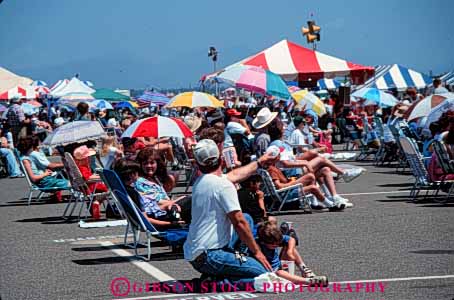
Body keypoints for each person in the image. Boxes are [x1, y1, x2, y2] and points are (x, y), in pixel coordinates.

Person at [184, 139, 272, 286]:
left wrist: (260, 162)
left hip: (196, 253)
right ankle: (216, 282)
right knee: (263, 272)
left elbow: (236, 174)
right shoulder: (223, 185)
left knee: (247, 217)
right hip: (210, 255)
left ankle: (226, 269)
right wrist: (257, 253)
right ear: (222, 159)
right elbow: (238, 223)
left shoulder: (201, 181)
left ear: (198, 164)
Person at [114, 159, 190, 229]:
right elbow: (146, 220)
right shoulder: (133, 194)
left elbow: (150, 209)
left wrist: (170, 204)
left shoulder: (124, 190)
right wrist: (170, 224)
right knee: (190, 200)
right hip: (162, 218)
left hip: (160, 212)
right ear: (132, 174)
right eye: (137, 172)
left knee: (184, 198)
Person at [256, 221, 328, 285]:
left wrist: (289, 252)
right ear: (263, 242)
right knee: (279, 273)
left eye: (278, 244)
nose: (277, 246)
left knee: (289, 246)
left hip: (280, 265)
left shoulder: (274, 239)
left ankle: (304, 269)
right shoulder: (256, 245)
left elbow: (291, 239)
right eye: (273, 245)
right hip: (271, 271)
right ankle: (308, 281)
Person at [17, 136, 69, 201]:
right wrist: (45, 174)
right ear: (30, 147)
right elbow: (33, 179)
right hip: (45, 182)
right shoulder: (25, 160)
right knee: (74, 184)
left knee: (73, 183)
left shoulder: (25, 158)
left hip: (46, 180)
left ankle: (57, 196)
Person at [73, 145, 108, 218]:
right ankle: (96, 202)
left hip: (86, 187)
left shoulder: (80, 167)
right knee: (108, 190)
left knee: (104, 189)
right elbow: (87, 178)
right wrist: (100, 177)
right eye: (88, 157)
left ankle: (93, 203)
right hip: (91, 187)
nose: (89, 159)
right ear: (84, 159)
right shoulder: (83, 168)